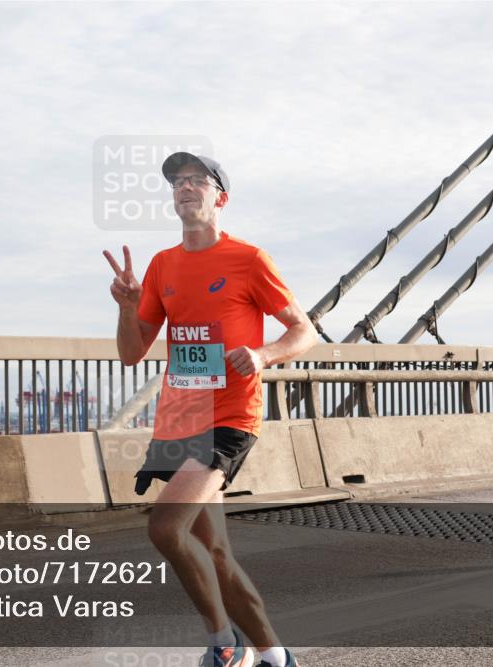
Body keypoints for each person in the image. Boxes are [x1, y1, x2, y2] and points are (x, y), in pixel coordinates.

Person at [103, 152, 317, 667]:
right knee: (215, 554)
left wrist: (264, 354)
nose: (184, 187)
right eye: (177, 181)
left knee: (165, 528)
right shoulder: (162, 265)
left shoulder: (249, 260)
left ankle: (224, 642)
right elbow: (131, 353)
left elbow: (305, 331)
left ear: (220, 197)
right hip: (181, 417)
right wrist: (128, 308)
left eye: (197, 180)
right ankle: (274, 654)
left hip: (229, 416)